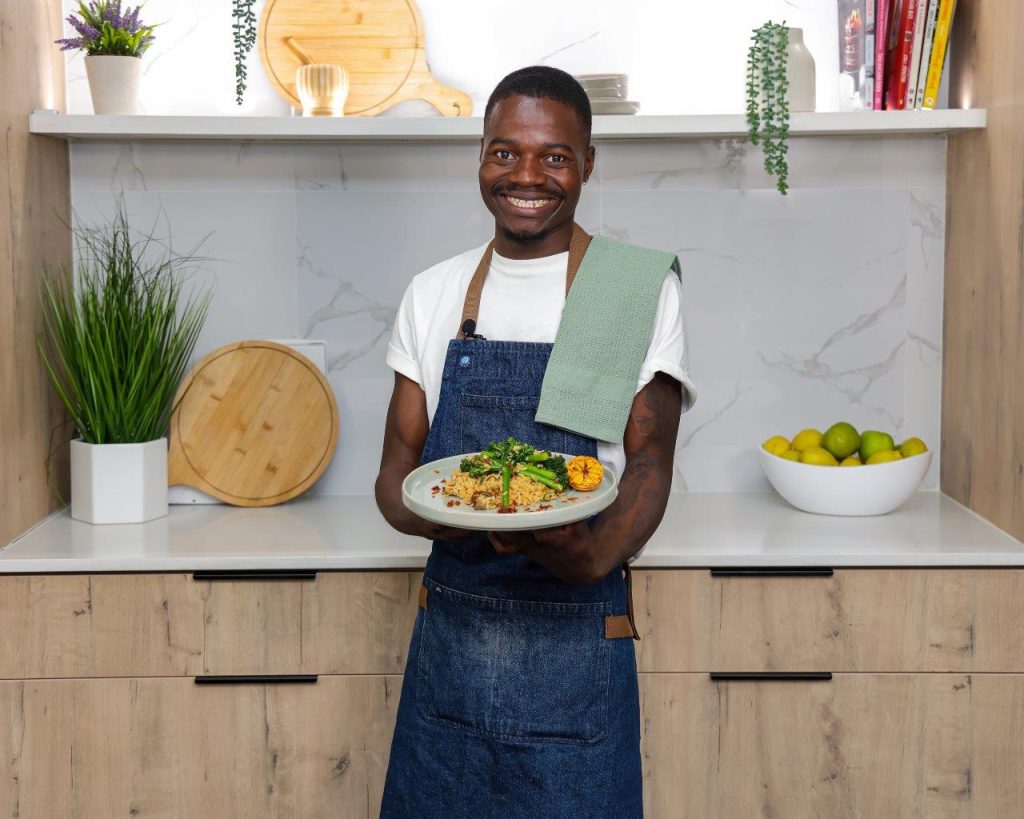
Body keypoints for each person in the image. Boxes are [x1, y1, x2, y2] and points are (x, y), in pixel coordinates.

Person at [374, 65, 695, 818]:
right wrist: (455, 512)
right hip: (453, 639)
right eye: (503, 151)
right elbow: (396, 470)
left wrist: (592, 554)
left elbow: (650, 461)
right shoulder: (434, 293)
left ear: (587, 162)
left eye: (553, 155)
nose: (526, 175)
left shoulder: (631, 288)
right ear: (480, 158)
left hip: (579, 638)